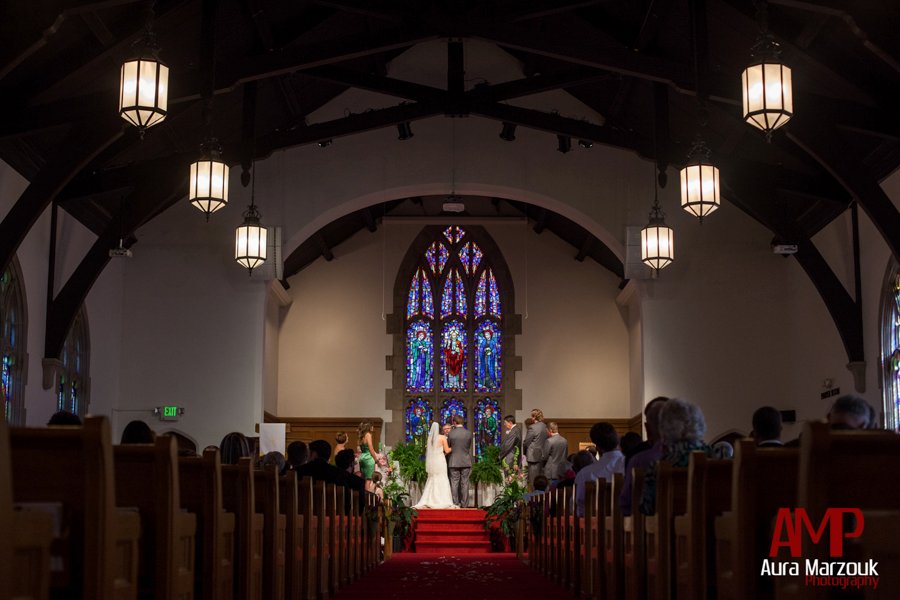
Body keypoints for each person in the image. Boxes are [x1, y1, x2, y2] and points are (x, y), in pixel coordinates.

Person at [640, 399, 712, 515]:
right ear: (700, 424)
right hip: (716, 526)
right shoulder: (719, 456)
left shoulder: (660, 465)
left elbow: (647, 508)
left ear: (663, 429)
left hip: (673, 528)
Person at [620, 397, 668, 514]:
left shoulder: (639, 459)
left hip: (648, 524)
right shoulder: (706, 454)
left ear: (648, 428)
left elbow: (626, 504)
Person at [575, 422, 625, 516]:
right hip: (628, 524)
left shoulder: (585, 473)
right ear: (617, 441)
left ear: (597, 447)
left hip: (595, 525)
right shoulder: (631, 466)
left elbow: (579, 504)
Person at [414, 422, 455, 509]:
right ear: (441, 430)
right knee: (442, 477)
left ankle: (430, 499)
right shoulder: (442, 437)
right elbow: (447, 450)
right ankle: (442, 499)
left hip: (433, 461)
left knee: (432, 478)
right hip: (440, 460)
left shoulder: (430, 439)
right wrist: (455, 446)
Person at [447, 415, 473, 507]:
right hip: (465, 460)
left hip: (454, 461)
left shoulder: (451, 433)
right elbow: (469, 446)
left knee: (454, 483)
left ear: (454, 422)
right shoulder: (468, 433)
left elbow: (449, 445)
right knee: (465, 483)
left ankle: (455, 503)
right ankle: (464, 504)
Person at [523, 408, 548, 488]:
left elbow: (526, 442)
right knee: (541, 481)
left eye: (532, 416)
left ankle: (534, 499)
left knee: (533, 481)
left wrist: (525, 453)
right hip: (542, 456)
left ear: (534, 417)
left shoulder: (532, 427)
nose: (531, 418)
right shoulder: (545, 426)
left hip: (533, 457)